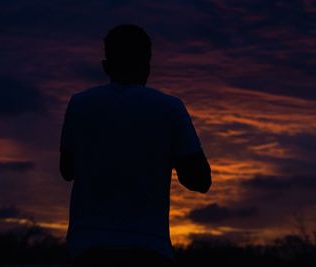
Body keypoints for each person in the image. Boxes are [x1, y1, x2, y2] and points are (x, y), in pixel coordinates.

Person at [59, 24, 212, 267]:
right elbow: (200, 180)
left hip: (88, 249)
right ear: (148, 65)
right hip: (150, 249)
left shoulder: (79, 105)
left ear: (106, 66)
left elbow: (67, 170)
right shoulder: (170, 108)